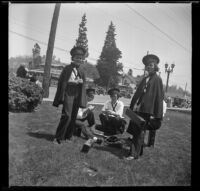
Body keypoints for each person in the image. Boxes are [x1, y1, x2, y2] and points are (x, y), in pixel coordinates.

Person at [125, 54, 164, 160]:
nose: (149, 67)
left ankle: (133, 154)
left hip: (147, 111)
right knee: (135, 131)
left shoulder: (157, 80)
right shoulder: (145, 79)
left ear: (155, 66)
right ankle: (138, 151)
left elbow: (159, 98)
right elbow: (138, 94)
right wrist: (133, 106)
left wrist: (157, 115)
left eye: (151, 65)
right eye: (147, 65)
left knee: (139, 132)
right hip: (138, 109)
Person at [52, 46, 87, 144]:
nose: (79, 59)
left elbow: (84, 84)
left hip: (77, 95)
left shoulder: (82, 70)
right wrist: (73, 81)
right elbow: (63, 81)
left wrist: (81, 82)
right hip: (68, 94)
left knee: (73, 116)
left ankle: (68, 136)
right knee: (67, 115)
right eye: (77, 57)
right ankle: (58, 137)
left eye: (81, 58)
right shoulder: (67, 69)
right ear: (73, 58)